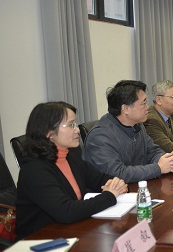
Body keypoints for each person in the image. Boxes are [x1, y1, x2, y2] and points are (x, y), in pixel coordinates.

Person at [16, 102, 128, 238]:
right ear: (49, 133)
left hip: (70, 231)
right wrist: (109, 196)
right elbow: (66, 212)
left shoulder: (70, 157)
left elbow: (101, 179)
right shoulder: (34, 170)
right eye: (71, 125)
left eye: (75, 124)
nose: (77, 130)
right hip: (40, 241)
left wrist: (116, 183)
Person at [83, 80, 173, 183]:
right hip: (110, 191)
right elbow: (117, 173)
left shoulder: (136, 124)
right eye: (143, 103)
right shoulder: (100, 137)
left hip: (138, 185)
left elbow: (152, 151)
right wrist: (158, 168)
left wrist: (168, 161)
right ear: (125, 109)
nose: (147, 107)